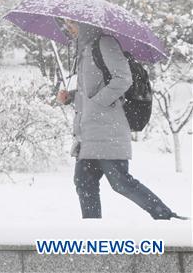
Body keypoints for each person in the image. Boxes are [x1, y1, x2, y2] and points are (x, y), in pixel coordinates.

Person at [56, 18, 186, 220]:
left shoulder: (105, 43)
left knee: (121, 183)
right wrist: (70, 97)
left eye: (72, 23)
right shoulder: (83, 51)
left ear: (85, 24)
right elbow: (89, 91)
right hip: (88, 132)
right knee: (83, 182)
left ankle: (166, 216)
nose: (68, 28)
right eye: (66, 24)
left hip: (108, 128)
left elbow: (124, 78)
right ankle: (92, 230)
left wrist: (99, 102)